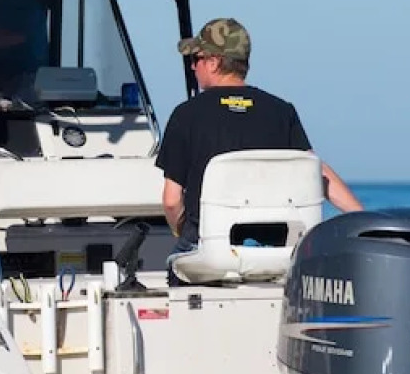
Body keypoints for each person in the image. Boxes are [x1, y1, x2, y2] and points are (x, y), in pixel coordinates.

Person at [155, 18, 363, 266]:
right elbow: (316, 171)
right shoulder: (281, 111)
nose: (192, 67)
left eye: (195, 59)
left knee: (177, 258)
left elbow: (171, 201)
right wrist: (364, 219)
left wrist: (184, 233)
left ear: (213, 62)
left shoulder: (186, 114)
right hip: (275, 251)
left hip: (212, 253)